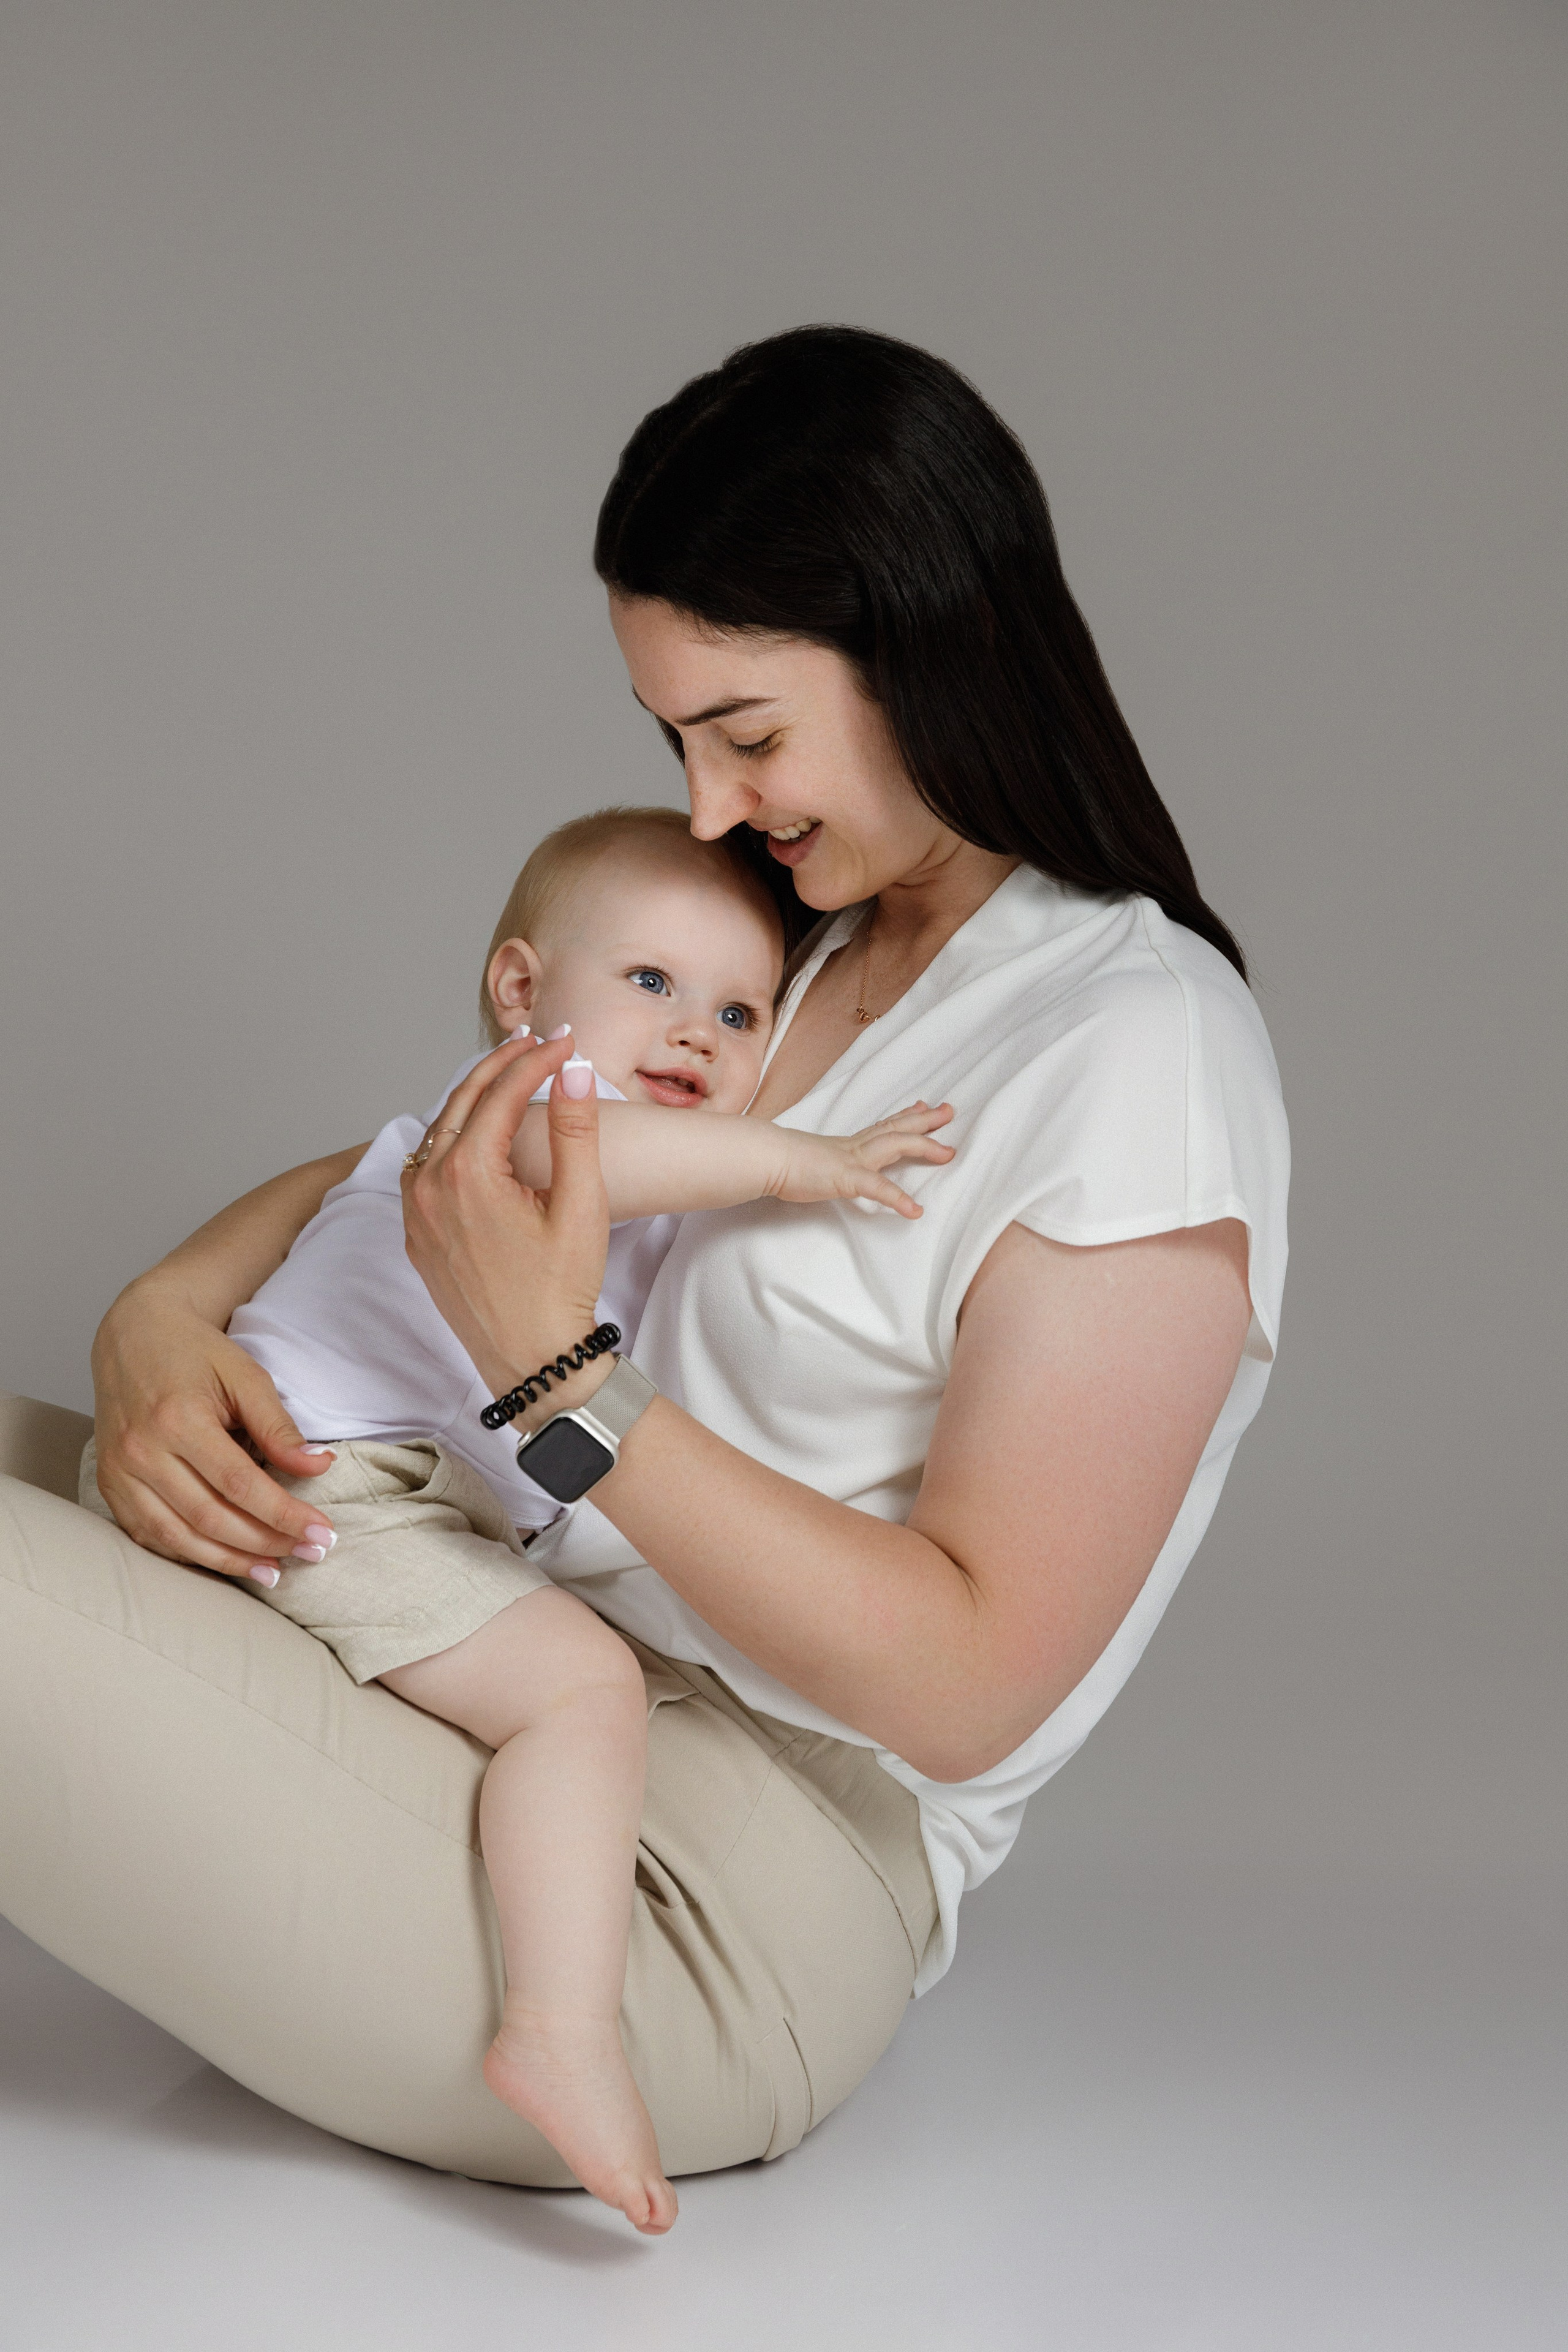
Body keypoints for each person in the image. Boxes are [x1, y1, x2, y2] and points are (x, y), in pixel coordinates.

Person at [60, 323, 1287, 2184]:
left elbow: (970, 1684)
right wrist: (156, 1315)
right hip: (500, 1657)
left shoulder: (1137, 1049)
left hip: (729, 1884)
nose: (712, 808)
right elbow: (458, 1159)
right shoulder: (796, 938)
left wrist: (567, 1381)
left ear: (927, 651)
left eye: (750, 734)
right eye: (675, 742)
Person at [79, 804, 952, 2231]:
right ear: (521, 994)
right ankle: (561, 2027)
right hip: (325, 1484)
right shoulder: (515, 1129)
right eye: (651, 985)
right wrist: (810, 1157)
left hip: (351, 1483)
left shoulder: (516, 1156)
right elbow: (599, 1162)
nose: (694, 1036)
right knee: (581, 1694)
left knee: (511, 1689)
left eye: (738, 1012)